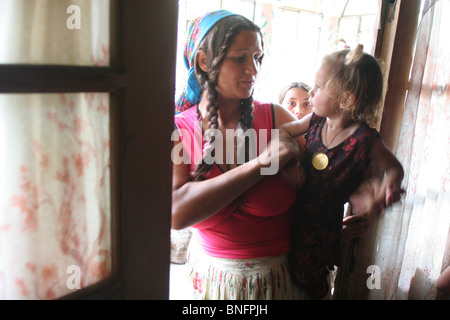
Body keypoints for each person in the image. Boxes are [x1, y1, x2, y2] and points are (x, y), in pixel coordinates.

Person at [172, 10, 305, 300]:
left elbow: (318, 184)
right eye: (240, 58)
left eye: (258, 58)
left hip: (277, 282)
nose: (253, 70)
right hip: (210, 284)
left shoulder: (276, 118)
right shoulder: (178, 130)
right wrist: (261, 165)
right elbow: (175, 213)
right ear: (204, 61)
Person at [280, 45, 405, 299]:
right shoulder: (314, 121)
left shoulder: (364, 139)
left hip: (324, 230)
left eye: (318, 87)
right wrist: (290, 162)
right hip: (293, 215)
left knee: (313, 284)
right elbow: (282, 132)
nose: (311, 93)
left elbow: (395, 169)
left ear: (346, 99)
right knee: (286, 278)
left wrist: (383, 191)